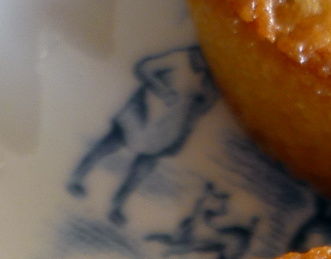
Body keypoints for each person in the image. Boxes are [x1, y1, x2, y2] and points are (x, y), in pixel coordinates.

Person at [67, 46, 219, 225]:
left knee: (143, 168)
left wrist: (195, 105)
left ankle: (117, 205)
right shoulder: (180, 58)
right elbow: (143, 68)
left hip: (169, 128)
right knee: (109, 145)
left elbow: (206, 105)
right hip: (145, 113)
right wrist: (163, 90)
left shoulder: (210, 78)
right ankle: (77, 177)